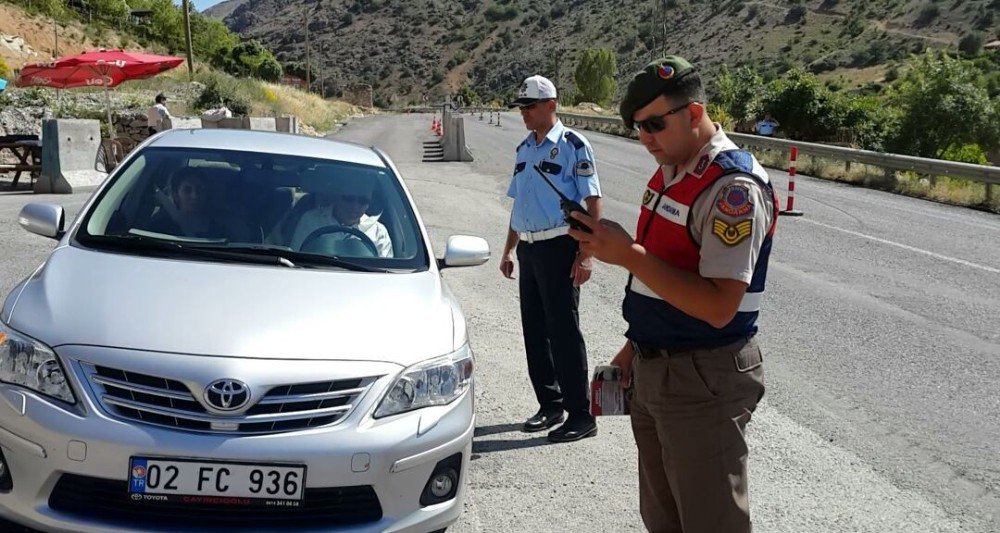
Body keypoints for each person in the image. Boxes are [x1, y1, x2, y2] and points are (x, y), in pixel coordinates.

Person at [567, 56, 778, 532]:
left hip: (704, 376)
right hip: (655, 369)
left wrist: (627, 255)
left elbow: (720, 306)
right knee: (663, 520)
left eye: (655, 125)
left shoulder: (732, 188)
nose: (645, 138)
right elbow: (659, 282)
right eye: (637, 127)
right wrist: (629, 351)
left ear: (695, 113)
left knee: (708, 523)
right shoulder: (672, 171)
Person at [501, 75, 603, 443]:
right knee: (535, 331)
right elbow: (520, 203)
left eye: (530, 106)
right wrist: (509, 248)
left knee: (563, 331)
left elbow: (592, 203)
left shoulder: (574, 145)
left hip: (561, 245)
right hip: (529, 247)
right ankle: (550, 404)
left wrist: (587, 255)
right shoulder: (524, 149)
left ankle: (581, 414)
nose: (524, 113)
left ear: (551, 105)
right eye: (522, 107)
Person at [289, 172, 392, 257]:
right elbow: (295, 257)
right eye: (348, 199)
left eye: (363, 201)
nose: (355, 207)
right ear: (336, 197)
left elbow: (386, 270)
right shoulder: (311, 220)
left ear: (369, 204)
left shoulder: (378, 231)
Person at [149, 167, 254, 241]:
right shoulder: (158, 229)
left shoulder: (223, 227)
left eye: (200, 190)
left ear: (207, 193)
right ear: (176, 195)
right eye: (187, 190)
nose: (194, 196)